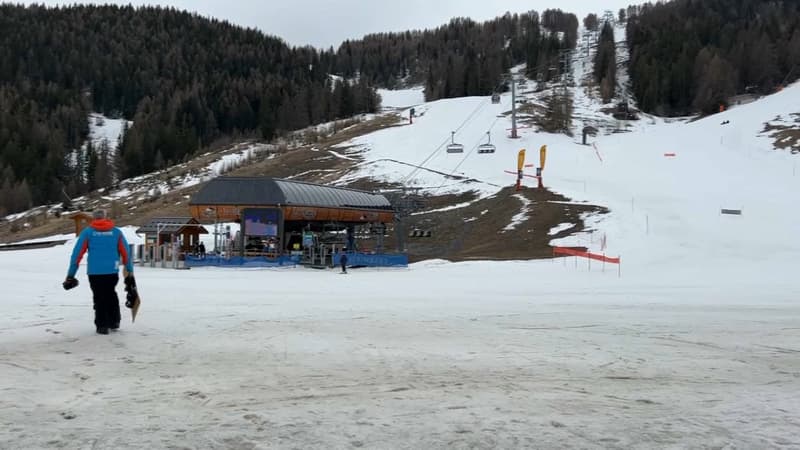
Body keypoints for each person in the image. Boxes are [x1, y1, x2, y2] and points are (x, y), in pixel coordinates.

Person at [63, 209, 134, 335]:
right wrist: (129, 271)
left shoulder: (88, 233)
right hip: (112, 271)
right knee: (111, 293)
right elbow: (126, 253)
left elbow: (77, 255)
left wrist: (71, 275)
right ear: (106, 217)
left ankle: (102, 325)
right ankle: (114, 321)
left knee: (99, 296)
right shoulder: (116, 232)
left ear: (93, 219)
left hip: (95, 272)